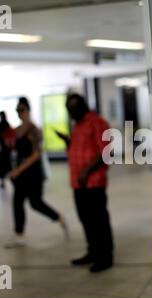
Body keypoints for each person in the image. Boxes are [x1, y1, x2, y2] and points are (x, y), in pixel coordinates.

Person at [56, 94, 114, 272]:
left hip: (93, 182)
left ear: (82, 107)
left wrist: (87, 171)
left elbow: (106, 151)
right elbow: (79, 148)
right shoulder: (77, 125)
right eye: (69, 110)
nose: (71, 114)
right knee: (86, 219)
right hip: (78, 183)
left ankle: (105, 257)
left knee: (98, 220)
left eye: (73, 109)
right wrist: (68, 141)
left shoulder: (97, 122)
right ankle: (93, 252)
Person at [5, 97, 67, 248]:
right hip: (20, 172)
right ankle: (19, 235)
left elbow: (36, 154)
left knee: (35, 203)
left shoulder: (34, 130)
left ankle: (58, 217)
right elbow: (14, 150)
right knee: (17, 202)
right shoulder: (17, 130)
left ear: (28, 110)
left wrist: (18, 170)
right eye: (17, 110)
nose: (20, 113)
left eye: (22, 110)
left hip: (32, 173)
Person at [0, 111, 14, 189]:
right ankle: (11, 180)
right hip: (5, 148)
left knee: (4, 165)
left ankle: (6, 180)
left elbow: (1, 137)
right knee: (7, 165)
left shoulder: (2, 124)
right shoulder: (6, 124)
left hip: (4, 148)